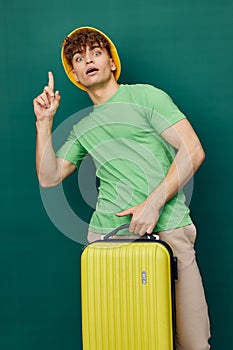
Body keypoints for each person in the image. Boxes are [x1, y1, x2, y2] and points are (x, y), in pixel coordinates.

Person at [33, 26, 211, 349]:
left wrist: (153, 203)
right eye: (79, 57)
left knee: (194, 343)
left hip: (169, 230)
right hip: (108, 241)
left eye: (95, 53)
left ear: (112, 63)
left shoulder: (146, 96)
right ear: (74, 74)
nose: (88, 60)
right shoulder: (83, 126)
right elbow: (49, 176)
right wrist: (44, 124)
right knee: (123, 341)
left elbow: (193, 150)